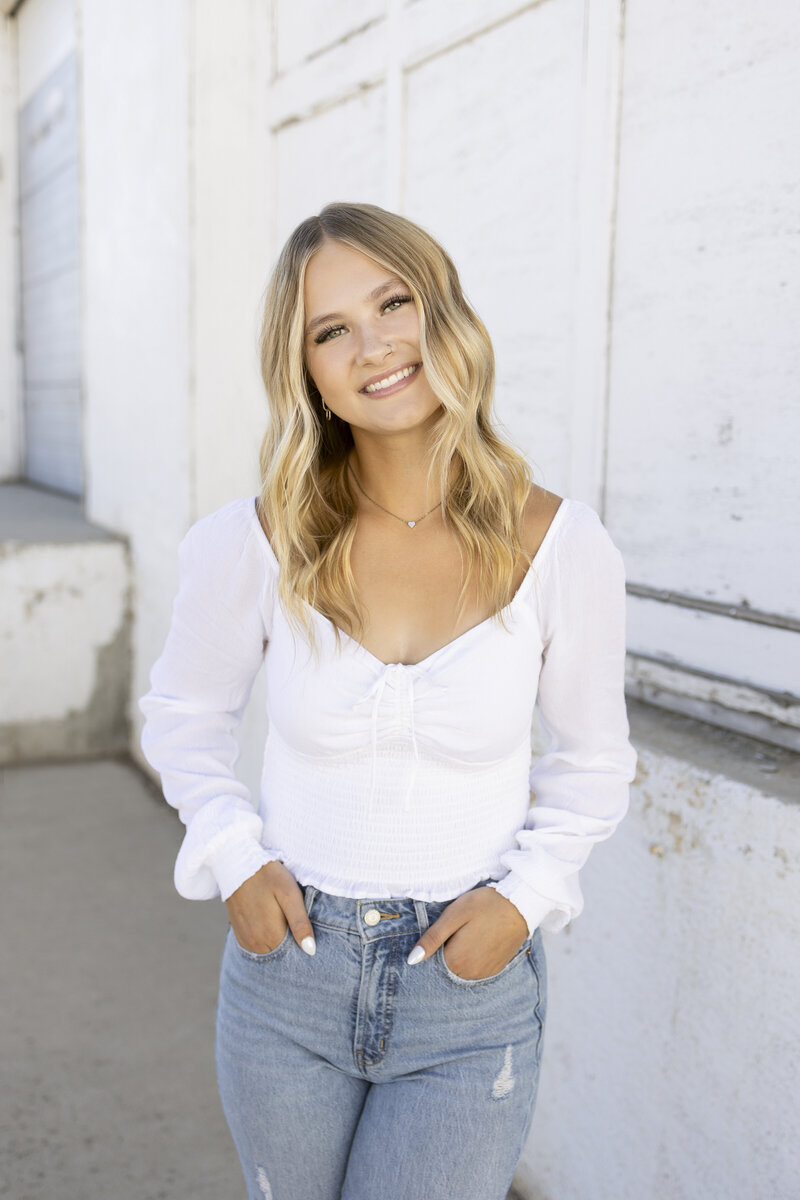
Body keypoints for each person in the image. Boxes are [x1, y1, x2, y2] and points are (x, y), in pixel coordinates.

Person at [138, 201, 637, 1200]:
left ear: (441, 313)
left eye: (392, 303)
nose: (373, 346)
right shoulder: (256, 541)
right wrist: (234, 859)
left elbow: (591, 761)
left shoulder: (559, 545)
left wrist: (523, 899)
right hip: (290, 977)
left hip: (465, 993)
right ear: (307, 368)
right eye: (331, 330)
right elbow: (184, 721)